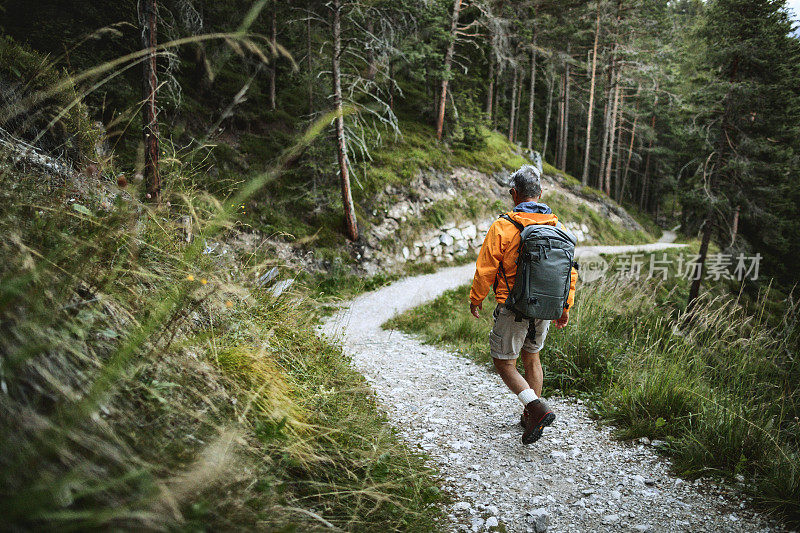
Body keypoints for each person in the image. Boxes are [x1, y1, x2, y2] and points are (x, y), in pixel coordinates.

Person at [469, 165, 578, 444]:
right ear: (540, 194)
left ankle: (535, 408)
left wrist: (476, 298)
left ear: (514, 194)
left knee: (504, 362)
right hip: (546, 306)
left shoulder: (504, 226)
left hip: (513, 306)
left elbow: (486, 268)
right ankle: (531, 414)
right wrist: (565, 307)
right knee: (532, 357)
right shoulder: (558, 227)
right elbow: (569, 271)